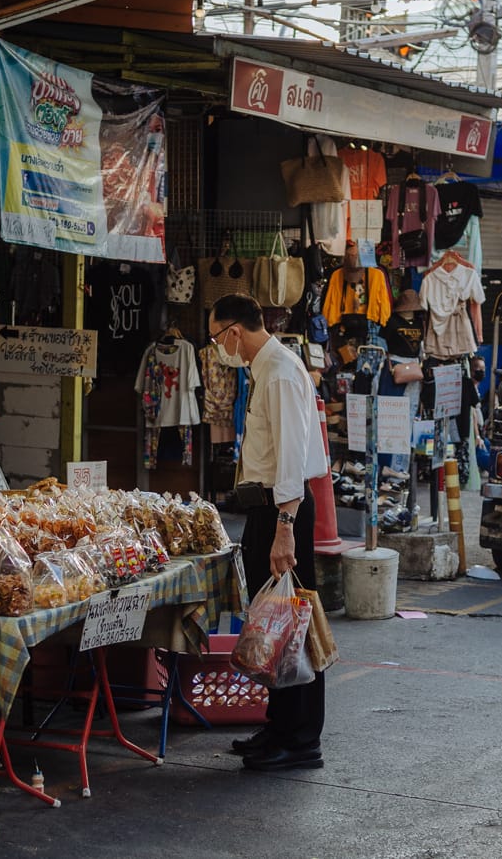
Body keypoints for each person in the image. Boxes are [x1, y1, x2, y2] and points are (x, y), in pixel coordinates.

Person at [208, 293, 328, 772]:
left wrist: (285, 528)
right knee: (271, 620)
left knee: (292, 622)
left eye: (217, 337)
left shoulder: (278, 371)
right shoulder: (265, 368)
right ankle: (279, 726)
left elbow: (294, 460)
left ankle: (300, 739)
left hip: (284, 510)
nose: (218, 347)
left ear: (235, 332)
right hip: (268, 509)